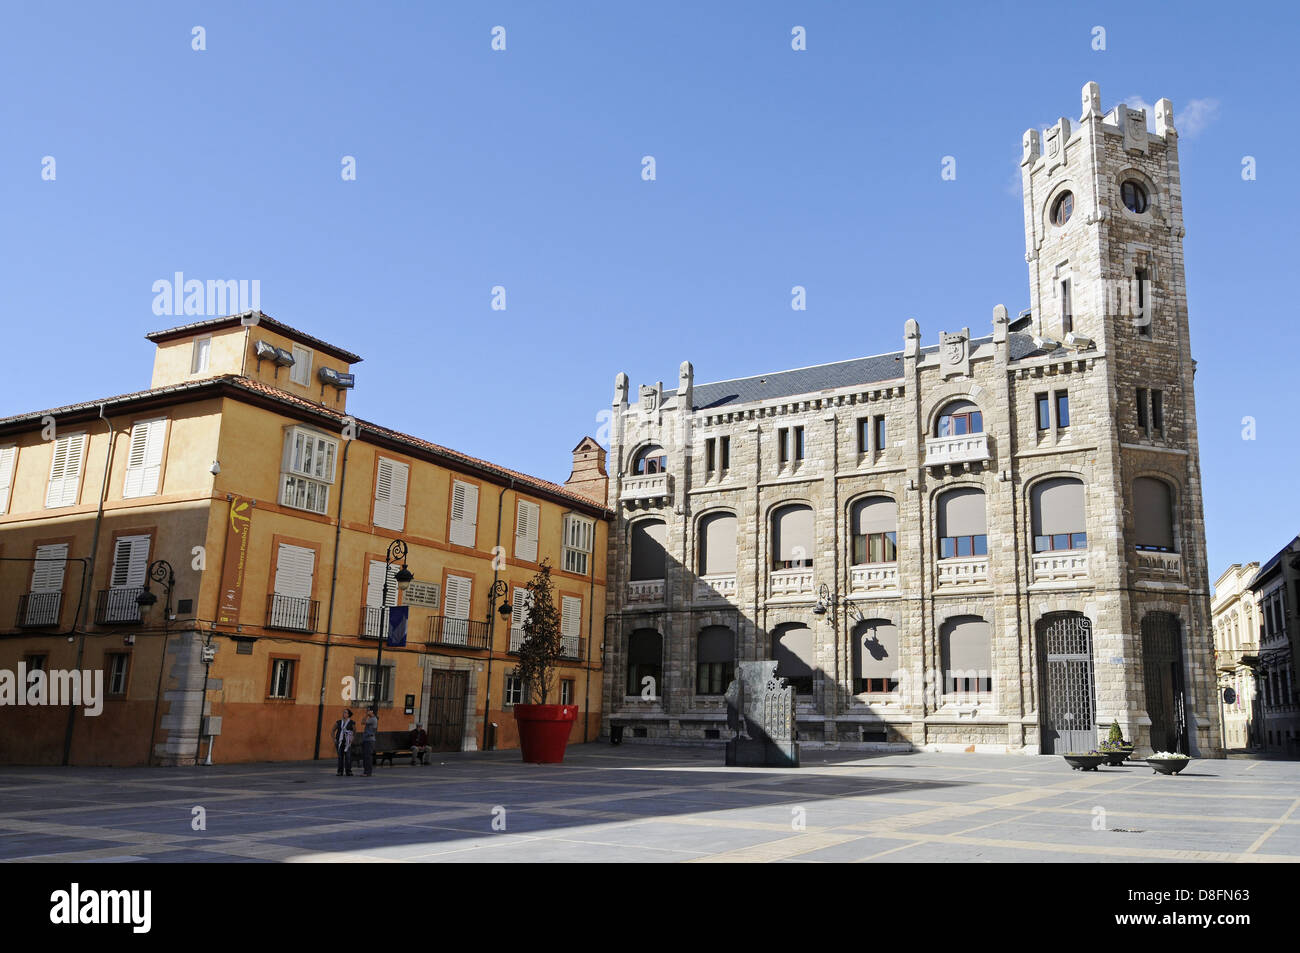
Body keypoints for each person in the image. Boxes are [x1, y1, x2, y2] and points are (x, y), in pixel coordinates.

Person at [331, 708, 355, 776]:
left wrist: (352, 738)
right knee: (340, 757)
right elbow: (333, 730)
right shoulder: (338, 722)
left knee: (348, 757)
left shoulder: (351, 722)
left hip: (347, 742)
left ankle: (348, 771)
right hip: (339, 742)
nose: (344, 714)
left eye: (345, 713)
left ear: (348, 715)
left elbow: (354, 731)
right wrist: (334, 739)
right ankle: (340, 771)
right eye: (343, 712)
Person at [361, 707, 378, 776]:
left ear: (372, 711)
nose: (367, 712)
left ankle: (367, 772)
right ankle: (366, 771)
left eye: (368, 711)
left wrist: (366, 715)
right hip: (367, 739)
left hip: (369, 740)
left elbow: (362, 722)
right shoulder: (371, 719)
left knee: (368, 756)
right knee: (366, 756)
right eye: (367, 710)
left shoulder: (373, 719)